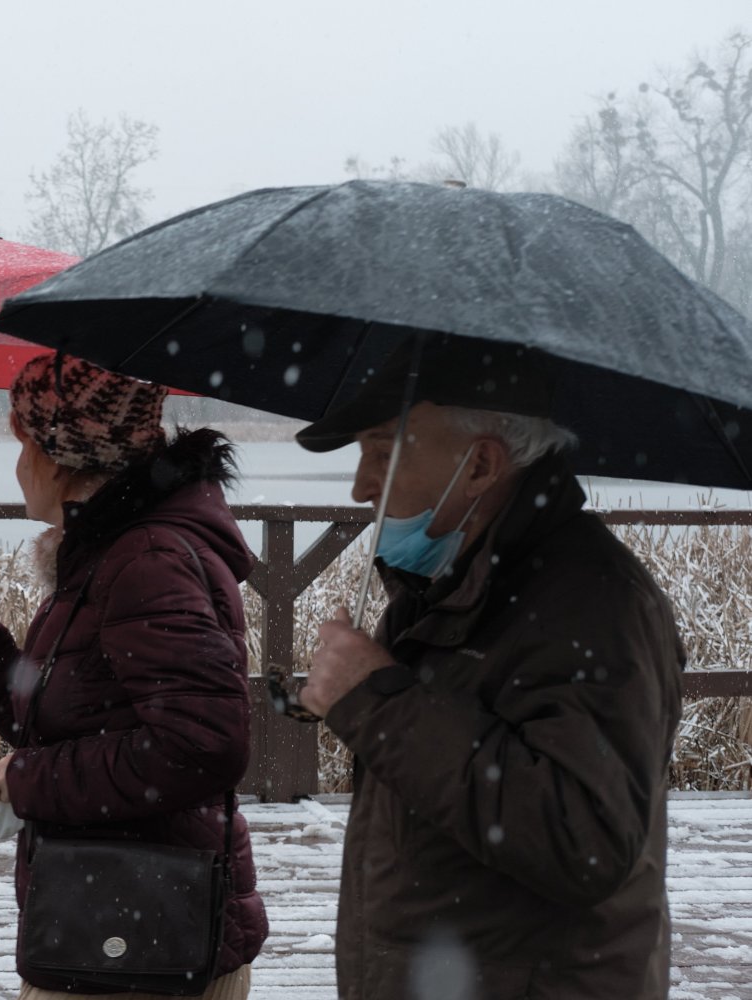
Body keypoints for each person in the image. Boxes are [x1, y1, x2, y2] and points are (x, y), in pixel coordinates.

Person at [293, 336, 685, 999]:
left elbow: (583, 838)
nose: (362, 487)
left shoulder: (593, 604)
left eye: (383, 455)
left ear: (479, 466)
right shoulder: (451, 586)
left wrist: (377, 700)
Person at [0, 353, 267, 999]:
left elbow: (204, 746)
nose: (18, 464)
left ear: (58, 457)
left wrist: (29, 779)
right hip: (118, 915)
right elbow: (55, 716)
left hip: (142, 930)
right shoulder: (108, 551)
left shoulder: (147, 559)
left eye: (21, 444)